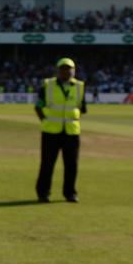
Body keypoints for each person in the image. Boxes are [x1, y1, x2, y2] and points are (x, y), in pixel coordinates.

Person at [34, 57, 86, 203]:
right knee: (47, 164)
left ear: (74, 71)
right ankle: (43, 193)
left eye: (69, 68)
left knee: (72, 165)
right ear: (58, 71)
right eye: (63, 68)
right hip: (51, 132)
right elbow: (38, 106)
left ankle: (70, 193)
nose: (66, 71)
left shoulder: (80, 86)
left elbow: (81, 108)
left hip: (71, 132)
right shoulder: (47, 85)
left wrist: (72, 121)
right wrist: (45, 121)